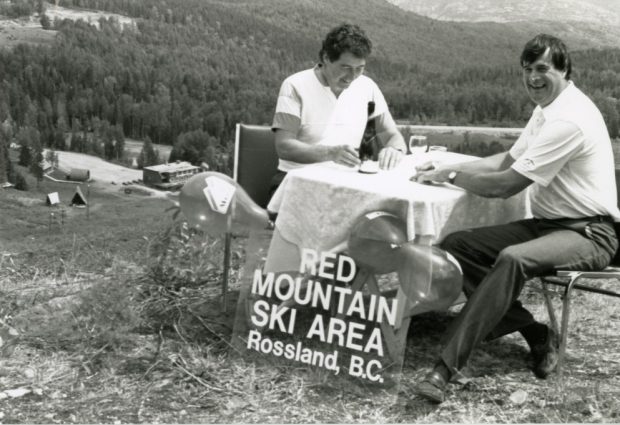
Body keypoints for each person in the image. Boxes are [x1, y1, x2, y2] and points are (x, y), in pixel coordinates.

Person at [412, 33, 620, 403]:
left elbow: (504, 185)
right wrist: (447, 166)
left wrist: (454, 176)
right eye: (527, 69)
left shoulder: (570, 120)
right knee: (458, 246)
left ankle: (445, 368)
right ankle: (535, 333)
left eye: (542, 69)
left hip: (589, 232)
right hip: (547, 225)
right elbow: (509, 159)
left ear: (565, 70)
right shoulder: (548, 110)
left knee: (512, 258)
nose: (533, 77)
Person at [269, 23, 406, 197]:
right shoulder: (295, 86)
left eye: (360, 69)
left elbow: (392, 135)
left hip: (348, 183)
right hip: (297, 181)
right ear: (326, 58)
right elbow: (284, 147)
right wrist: (330, 153)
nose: (352, 77)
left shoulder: (368, 86)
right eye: (346, 68)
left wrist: (395, 150)